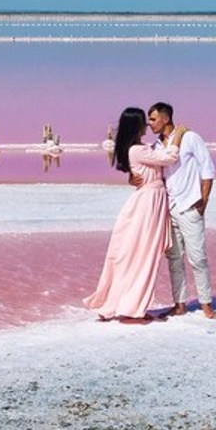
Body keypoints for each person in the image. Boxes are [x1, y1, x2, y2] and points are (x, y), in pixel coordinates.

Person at [84, 107, 184, 323]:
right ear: (136, 126)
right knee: (143, 255)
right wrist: (179, 135)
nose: (147, 124)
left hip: (150, 200)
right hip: (148, 203)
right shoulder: (138, 150)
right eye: (143, 121)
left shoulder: (140, 149)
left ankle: (128, 304)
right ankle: (132, 306)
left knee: (139, 254)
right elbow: (170, 158)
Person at [148, 101, 216, 319]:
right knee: (174, 258)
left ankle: (206, 304)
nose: (150, 124)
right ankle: (179, 304)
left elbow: (207, 169)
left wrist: (203, 202)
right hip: (169, 209)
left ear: (165, 118)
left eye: (153, 119)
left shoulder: (190, 138)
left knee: (198, 259)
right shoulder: (155, 147)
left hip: (190, 207)